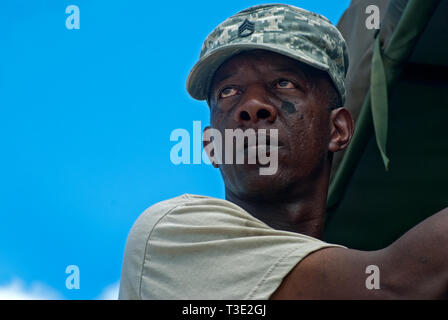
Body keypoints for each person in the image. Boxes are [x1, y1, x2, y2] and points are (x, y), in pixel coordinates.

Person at [118, 3, 448, 299]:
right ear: (212, 146)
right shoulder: (172, 235)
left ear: (338, 130)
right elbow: (396, 286)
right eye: (229, 91)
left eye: (283, 84)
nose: (252, 106)